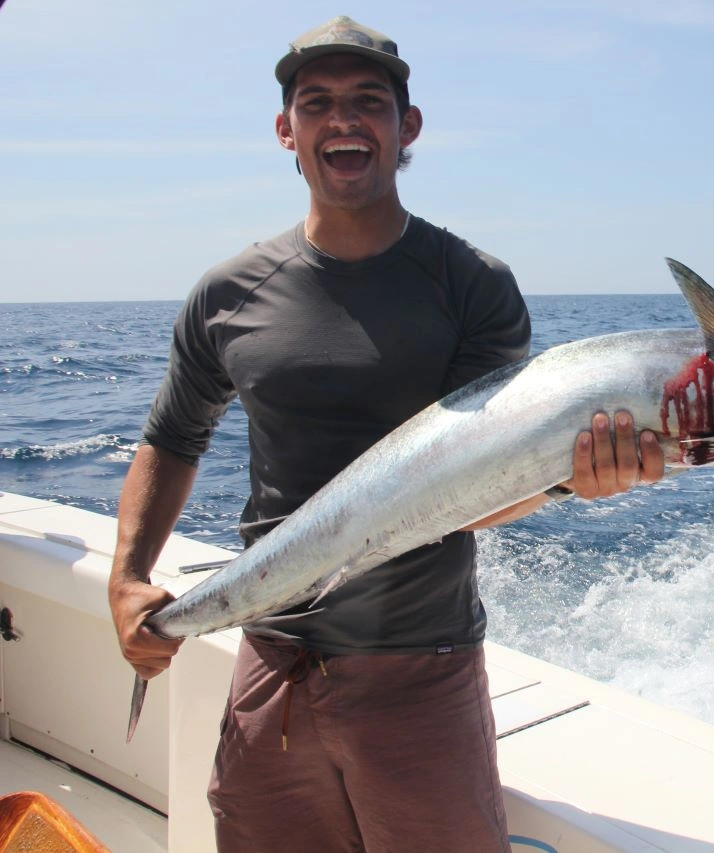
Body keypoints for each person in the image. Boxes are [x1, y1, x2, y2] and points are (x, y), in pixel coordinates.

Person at [107, 16, 663, 852]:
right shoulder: (227, 293)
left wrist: (559, 480)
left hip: (421, 673)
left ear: (408, 127)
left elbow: (475, 488)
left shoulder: (472, 285)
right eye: (316, 102)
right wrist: (127, 578)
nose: (342, 120)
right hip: (272, 666)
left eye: (368, 101)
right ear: (285, 131)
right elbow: (173, 438)